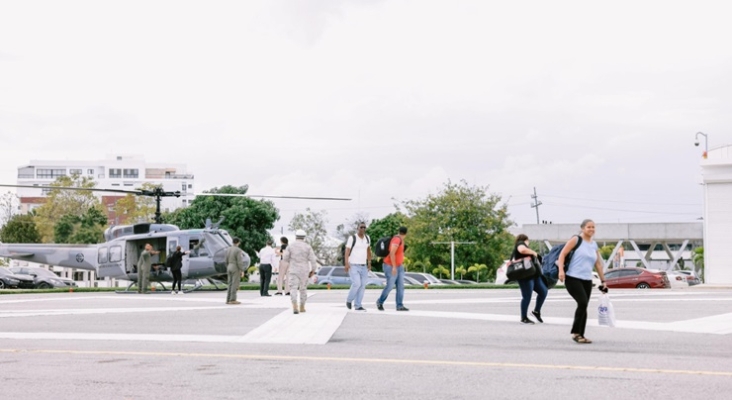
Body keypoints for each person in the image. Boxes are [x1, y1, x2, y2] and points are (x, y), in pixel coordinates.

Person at [557, 219, 608, 344]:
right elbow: (562, 254)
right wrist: (561, 271)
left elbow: (598, 264)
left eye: (593, 227)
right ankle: (576, 333)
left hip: (587, 279)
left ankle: (581, 334)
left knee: (584, 305)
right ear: (583, 228)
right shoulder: (576, 240)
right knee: (582, 302)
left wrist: (603, 281)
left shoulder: (593, 244)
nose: (591, 229)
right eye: (588, 227)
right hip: (572, 277)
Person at [510, 234, 547, 324]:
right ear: (526, 239)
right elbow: (521, 249)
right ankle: (524, 317)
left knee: (543, 291)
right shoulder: (521, 243)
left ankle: (536, 311)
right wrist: (534, 253)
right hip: (525, 276)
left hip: (533, 275)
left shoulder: (524, 246)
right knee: (527, 296)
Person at [282, 229, 317, 314]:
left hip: (293, 269)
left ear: (296, 236)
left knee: (293, 288)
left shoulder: (290, 246)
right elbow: (313, 260)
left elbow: (285, 258)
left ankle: (294, 305)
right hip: (304, 270)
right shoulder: (307, 247)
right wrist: (313, 270)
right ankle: (302, 306)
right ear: (304, 237)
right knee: (303, 288)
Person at [376, 226, 409, 311]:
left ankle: (399, 305)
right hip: (390, 266)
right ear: (405, 233)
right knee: (390, 285)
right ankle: (380, 301)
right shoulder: (397, 240)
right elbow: (392, 253)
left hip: (399, 266)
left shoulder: (400, 240)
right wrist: (394, 267)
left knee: (400, 286)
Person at [345, 222, 372, 311]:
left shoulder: (367, 238)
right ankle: (349, 300)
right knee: (357, 283)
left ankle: (358, 305)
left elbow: (368, 251)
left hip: (363, 265)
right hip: (353, 265)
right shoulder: (352, 238)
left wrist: (369, 263)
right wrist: (346, 263)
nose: (363, 229)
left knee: (362, 285)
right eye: (361, 227)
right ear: (357, 228)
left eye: (364, 227)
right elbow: (347, 251)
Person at [225, 237, 247, 305]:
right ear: (238, 242)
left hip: (229, 266)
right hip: (235, 267)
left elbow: (226, 260)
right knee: (235, 283)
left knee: (230, 283)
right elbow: (239, 261)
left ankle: (228, 299)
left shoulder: (228, 249)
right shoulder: (238, 250)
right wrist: (242, 270)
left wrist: (227, 266)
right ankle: (233, 299)